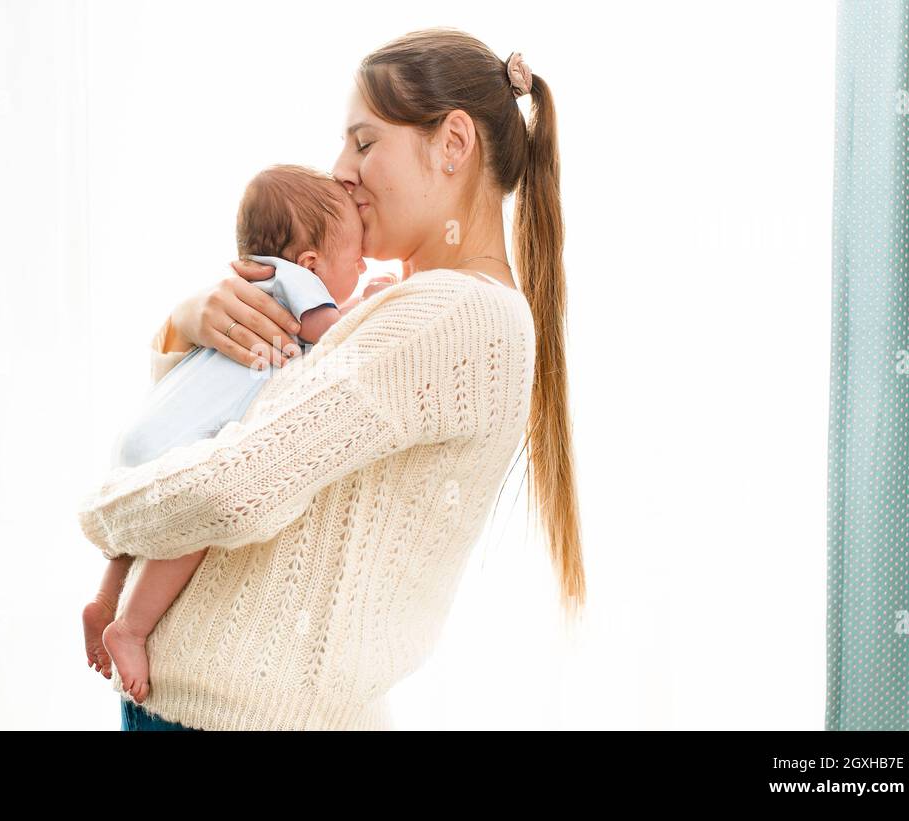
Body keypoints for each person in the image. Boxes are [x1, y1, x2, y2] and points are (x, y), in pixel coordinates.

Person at [79, 27, 585, 731]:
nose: (341, 169)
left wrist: (102, 514)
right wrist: (186, 328)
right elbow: (230, 419)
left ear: (454, 143)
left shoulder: (454, 314)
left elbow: (232, 486)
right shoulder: (412, 308)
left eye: (365, 142)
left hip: (235, 718)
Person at [82, 165, 381, 705]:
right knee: (189, 527)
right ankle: (130, 626)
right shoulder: (296, 283)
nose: (363, 266)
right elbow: (331, 336)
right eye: (356, 258)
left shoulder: (251, 281)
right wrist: (374, 307)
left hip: (154, 427)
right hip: (189, 441)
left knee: (142, 526)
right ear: (311, 263)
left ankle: (106, 600)